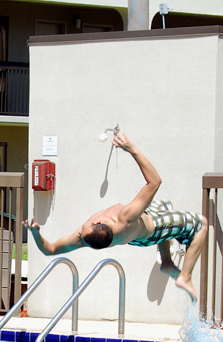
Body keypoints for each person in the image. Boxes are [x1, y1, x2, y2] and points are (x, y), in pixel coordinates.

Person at [25, 130, 209, 303]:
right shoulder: (125, 217)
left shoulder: (88, 236)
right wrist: (132, 150)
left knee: (165, 204)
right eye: (83, 230)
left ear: (98, 224)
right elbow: (155, 181)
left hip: (137, 232)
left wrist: (35, 233)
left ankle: (167, 263)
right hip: (154, 230)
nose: (80, 230)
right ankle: (185, 276)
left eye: (82, 229)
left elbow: (50, 249)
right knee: (201, 224)